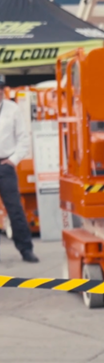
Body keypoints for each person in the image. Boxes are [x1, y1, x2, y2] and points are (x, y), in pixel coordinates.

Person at [0, 75, 38, 263]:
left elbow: (23, 139)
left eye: (0, 89)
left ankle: (26, 249)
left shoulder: (13, 110)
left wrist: (13, 160)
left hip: (5, 166)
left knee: (15, 209)